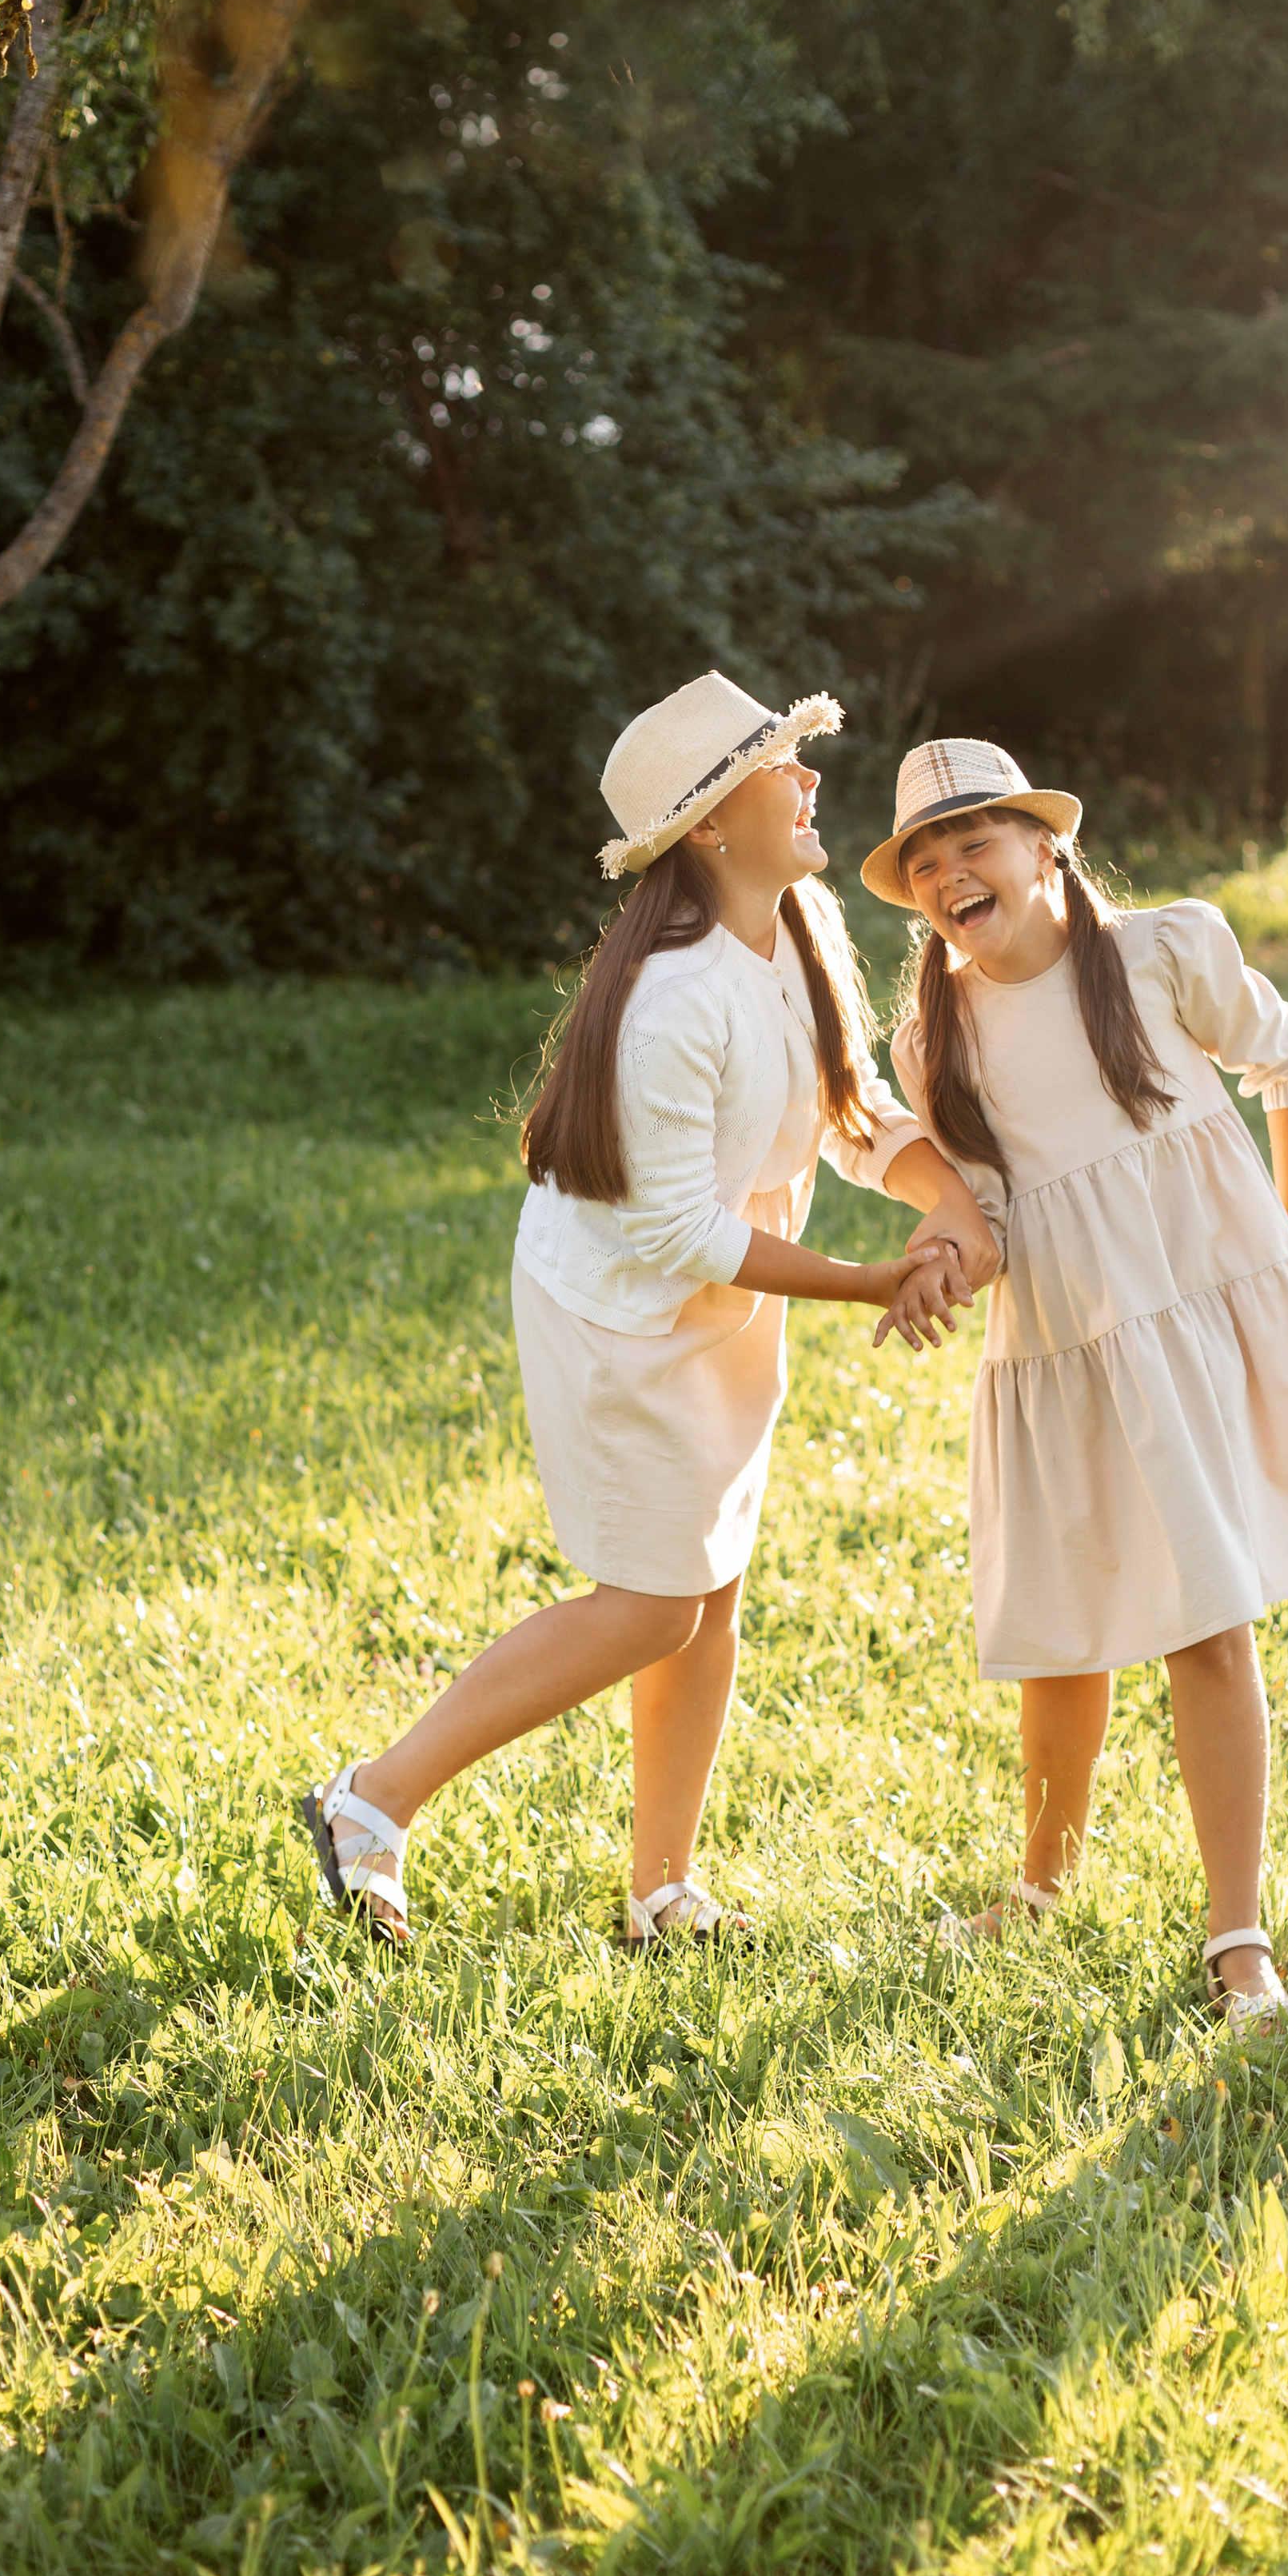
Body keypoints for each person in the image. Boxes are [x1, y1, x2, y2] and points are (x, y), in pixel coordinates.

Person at [302, 673, 999, 1952]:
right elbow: (676, 1232)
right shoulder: (674, 997)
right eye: (780, 768)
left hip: (724, 1310)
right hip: (622, 1318)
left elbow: (851, 1116)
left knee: (709, 1589)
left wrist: (946, 1205)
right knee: (651, 1603)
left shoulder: (792, 928)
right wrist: (869, 1283)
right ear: (708, 830)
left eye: (798, 758)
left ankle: (662, 1892)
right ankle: (373, 1796)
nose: (809, 781)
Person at [862, 737, 1288, 2033]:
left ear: (1047, 847)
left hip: (1189, 1330)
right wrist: (933, 1263)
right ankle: (1043, 1883)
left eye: (972, 845)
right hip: (1060, 1348)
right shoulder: (936, 1032)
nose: (948, 877)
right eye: (925, 864)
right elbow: (979, 1216)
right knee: (1066, 1622)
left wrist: (1285, 1244)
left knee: (1207, 1620)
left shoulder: (1164, 953)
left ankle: (1239, 1939)